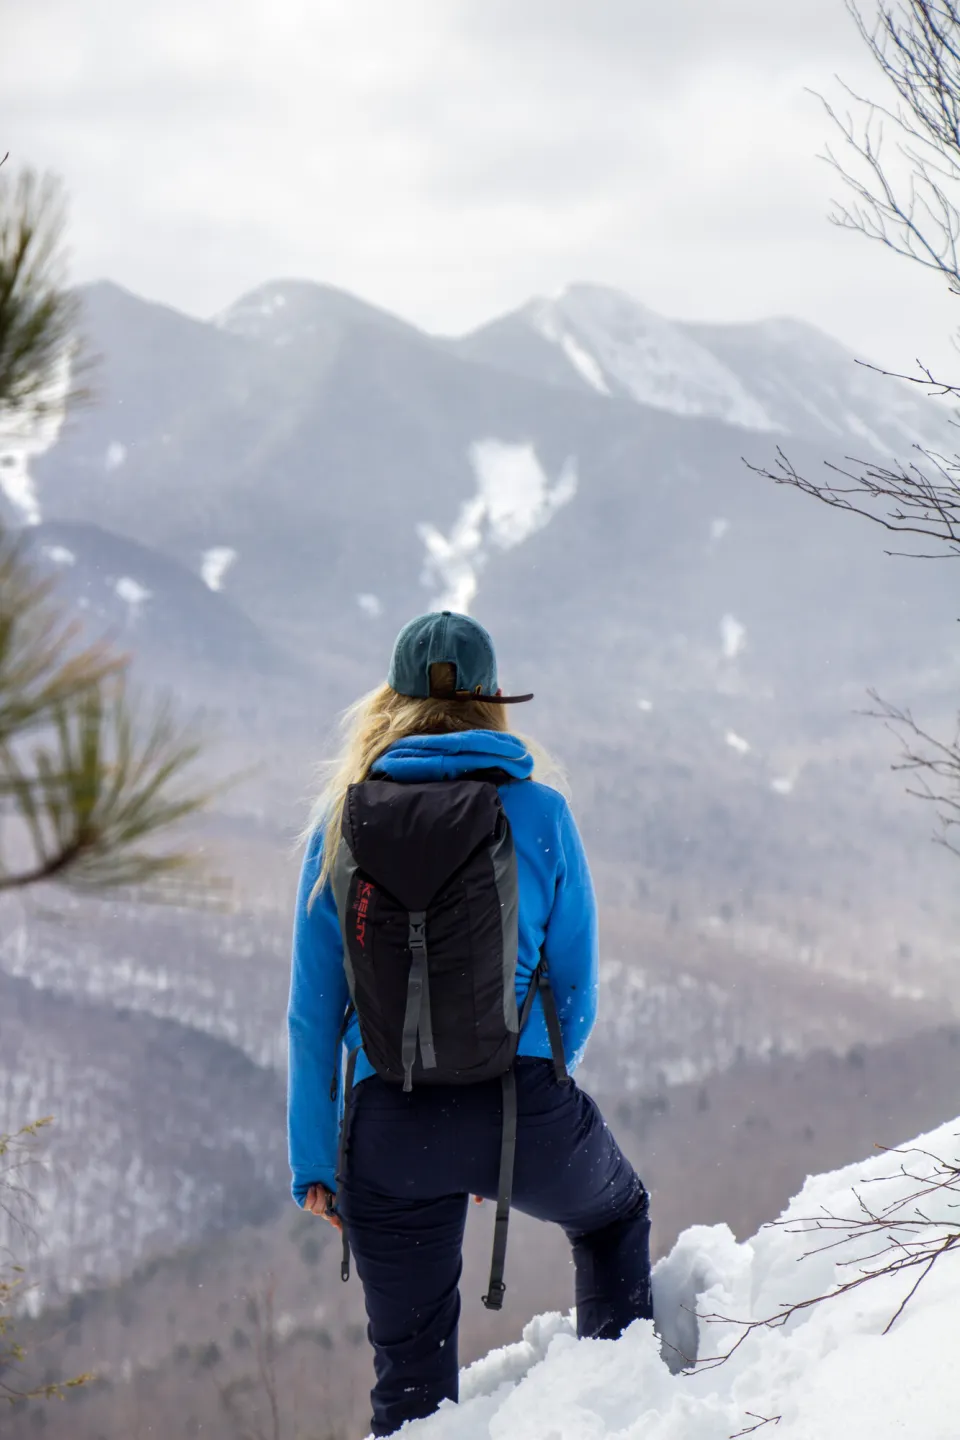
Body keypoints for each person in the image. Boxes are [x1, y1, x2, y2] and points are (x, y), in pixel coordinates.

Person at [287, 611, 652, 1437]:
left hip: (387, 1131)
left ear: (391, 703)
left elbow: (314, 1012)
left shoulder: (338, 827)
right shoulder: (541, 814)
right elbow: (573, 989)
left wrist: (315, 1159)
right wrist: (516, 1112)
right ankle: (629, 1409)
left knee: (411, 1391)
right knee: (615, 1217)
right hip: (520, 1107)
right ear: (493, 704)